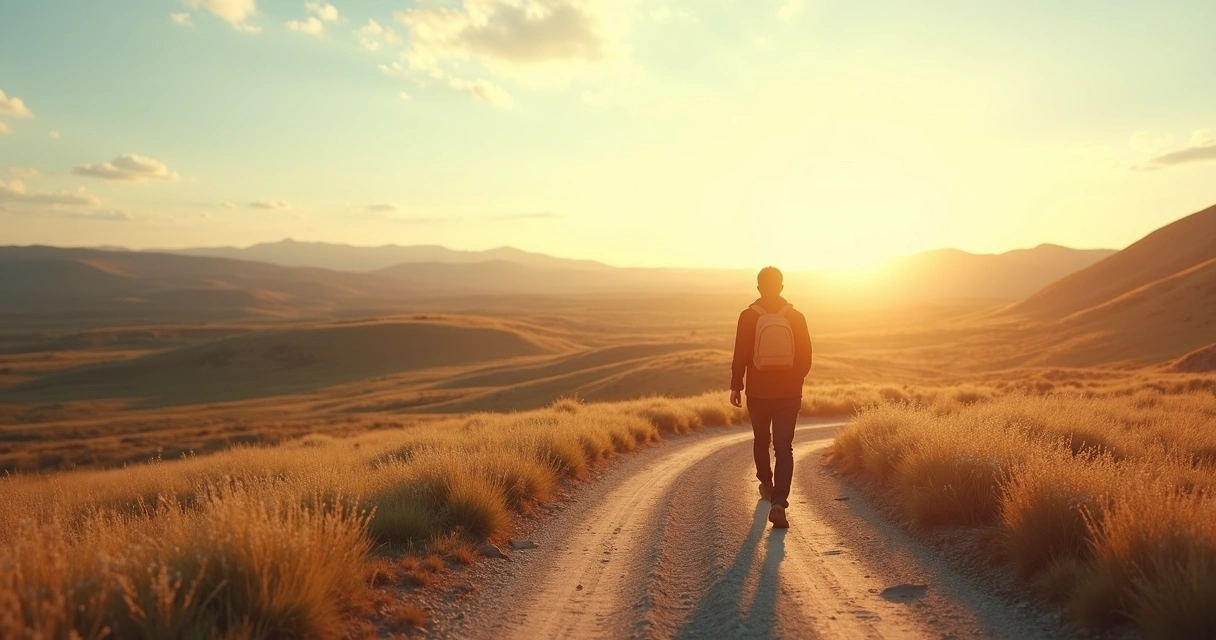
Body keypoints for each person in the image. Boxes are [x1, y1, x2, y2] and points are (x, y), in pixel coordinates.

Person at [730, 266, 813, 529]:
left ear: (758, 287)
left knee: (761, 440)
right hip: (789, 393)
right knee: (784, 447)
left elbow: (740, 353)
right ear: (781, 287)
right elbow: (806, 356)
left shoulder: (748, 316)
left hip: (758, 391)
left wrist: (736, 385)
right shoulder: (796, 316)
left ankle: (766, 483)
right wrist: (794, 381)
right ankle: (779, 504)